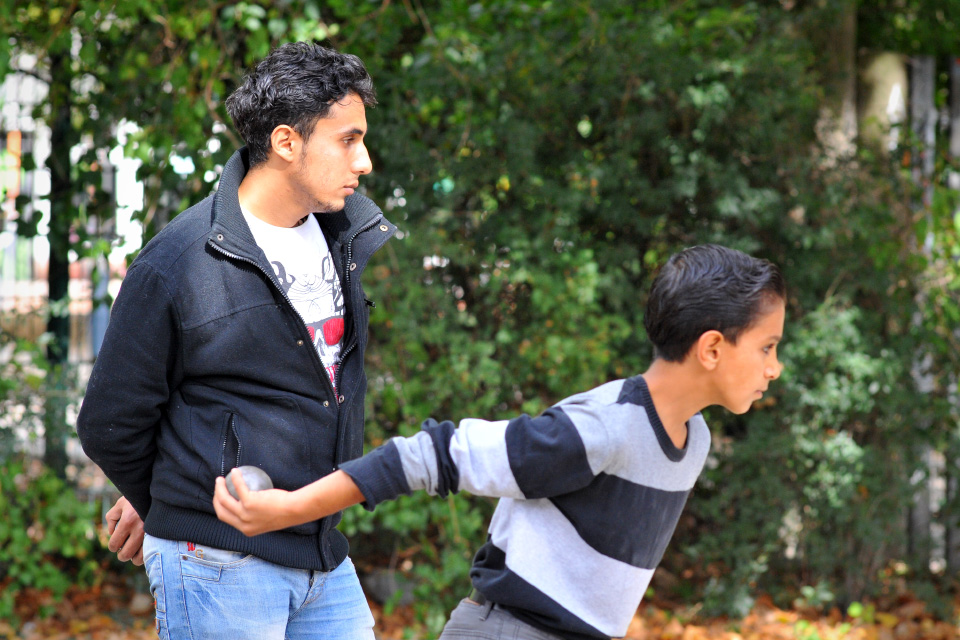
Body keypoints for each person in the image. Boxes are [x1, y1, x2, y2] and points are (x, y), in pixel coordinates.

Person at [213, 244, 787, 640]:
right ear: (712, 348)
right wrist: (290, 508)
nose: (774, 367)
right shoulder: (601, 429)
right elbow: (429, 456)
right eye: (767, 347)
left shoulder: (693, 439)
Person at [77, 41, 395, 640]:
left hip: (322, 555)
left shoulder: (342, 236)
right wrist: (172, 503)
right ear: (286, 142)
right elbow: (109, 421)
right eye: (348, 140)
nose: (365, 161)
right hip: (217, 564)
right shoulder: (179, 261)